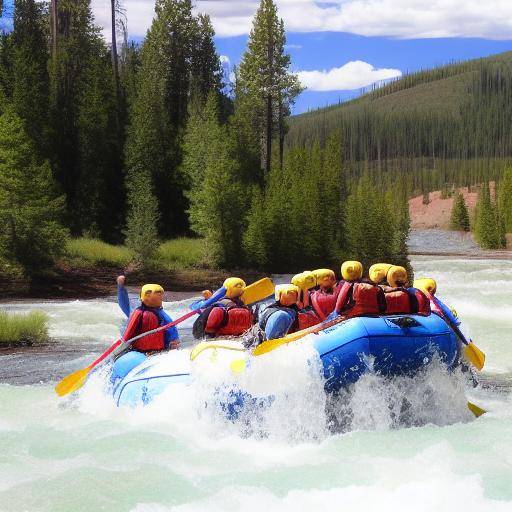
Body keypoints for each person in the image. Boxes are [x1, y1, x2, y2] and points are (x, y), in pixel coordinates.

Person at [111, 282, 180, 385]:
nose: (160, 299)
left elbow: (171, 331)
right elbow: (128, 333)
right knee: (115, 357)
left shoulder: (159, 314)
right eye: (159, 296)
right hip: (144, 352)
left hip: (155, 352)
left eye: (160, 296)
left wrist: (173, 342)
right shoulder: (139, 313)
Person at [116, 275, 180, 343]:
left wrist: (120, 287)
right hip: (149, 347)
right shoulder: (162, 315)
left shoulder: (135, 311)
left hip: (141, 346)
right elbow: (172, 329)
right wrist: (120, 287)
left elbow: (123, 303)